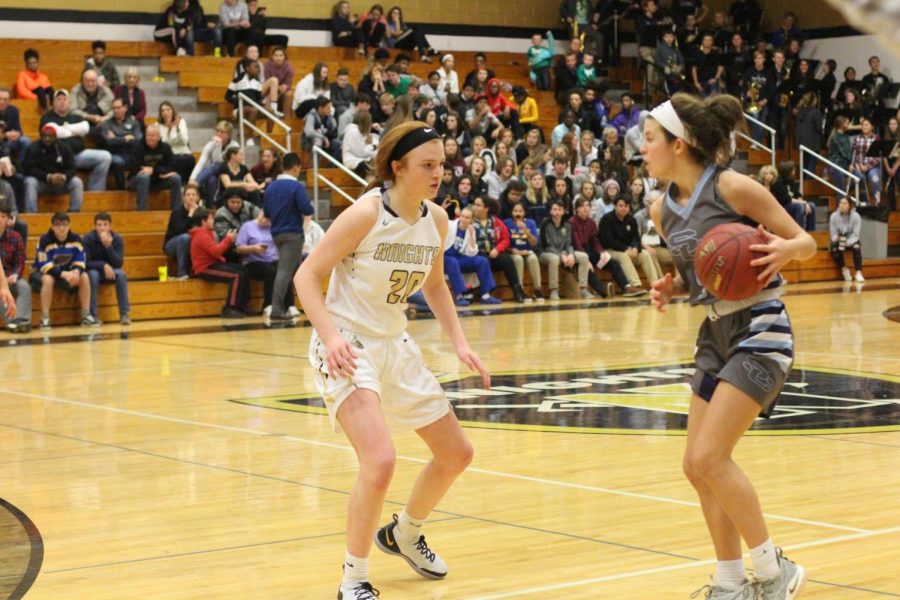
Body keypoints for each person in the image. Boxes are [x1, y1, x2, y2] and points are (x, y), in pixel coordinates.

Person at [293, 121, 488, 599]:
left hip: (394, 343)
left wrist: (460, 342)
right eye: (428, 165)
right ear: (397, 168)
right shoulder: (365, 214)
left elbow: (436, 284)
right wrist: (331, 336)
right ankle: (353, 580)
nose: (438, 172)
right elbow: (305, 277)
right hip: (348, 344)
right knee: (380, 461)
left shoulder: (436, 220)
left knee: (457, 453)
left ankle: (405, 531)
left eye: (442, 164)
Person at [642, 93, 815, 599]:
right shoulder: (661, 210)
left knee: (713, 456)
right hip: (713, 333)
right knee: (695, 465)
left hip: (761, 325)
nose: (643, 149)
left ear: (679, 144)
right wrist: (671, 286)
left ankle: (773, 568)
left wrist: (787, 249)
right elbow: (698, 268)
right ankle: (731, 583)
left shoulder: (731, 186)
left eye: (650, 139)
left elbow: (805, 241)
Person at [263, 152, 313, 321]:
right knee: (285, 272)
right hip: (292, 233)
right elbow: (307, 209)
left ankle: (299, 305)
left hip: (276, 233)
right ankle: (277, 309)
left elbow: (267, 212)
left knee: (295, 271)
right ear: (295, 167)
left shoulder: (271, 187)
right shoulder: (296, 187)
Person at [29, 211, 100, 329]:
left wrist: (76, 271)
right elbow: (44, 264)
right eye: (58, 225)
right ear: (52, 227)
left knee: (84, 276)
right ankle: (45, 318)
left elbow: (81, 259)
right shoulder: (44, 240)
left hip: (67, 273)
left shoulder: (76, 239)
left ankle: (86, 315)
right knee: (48, 279)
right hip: (43, 273)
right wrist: (63, 274)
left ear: (69, 226)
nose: (61, 228)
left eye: (65, 224)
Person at [39, 89, 112, 192]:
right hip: (54, 157)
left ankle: (95, 193)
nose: (62, 102)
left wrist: (62, 131)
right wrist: (73, 131)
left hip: (76, 155)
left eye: (65, 99)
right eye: (59, 99)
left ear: (69, 103)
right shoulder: (47, 118)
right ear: (53, 103)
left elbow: (80, 143)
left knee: (105, 157)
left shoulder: (76, 118)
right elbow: (50, 141)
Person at [190, 206, 250, 317]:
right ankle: (230, 308)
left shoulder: (207, 233)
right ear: (203, 221)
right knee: (236, 275)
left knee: (243, 270)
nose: (214, 221)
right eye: (211, 219)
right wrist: (228, 239)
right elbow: (216, 251)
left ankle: (242, 305)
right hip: (204, 269)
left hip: (213, 264)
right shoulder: (201, 235)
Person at [444, 205, 501, 305]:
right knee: (453, 262)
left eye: (467, 217)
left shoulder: (471, 230)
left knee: (482, 260)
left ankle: (485, 295)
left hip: (458, 258)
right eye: (462, 216)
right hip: (444, 257)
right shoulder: (449, 225)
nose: (463, 219)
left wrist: (471, 237)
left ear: (472, 220)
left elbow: (471, 254)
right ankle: (459, 295)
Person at [82, 212, 131, 325]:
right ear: (95, 227)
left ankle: (124, 314)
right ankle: (93, 315)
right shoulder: (88, 239)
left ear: (110, 226)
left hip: (111, 271)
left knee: (121, 275)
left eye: (105, 225)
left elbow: (118, 263)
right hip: (95, 271)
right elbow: (85, 263)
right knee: (93, 275)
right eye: (99, 225)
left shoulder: (117, 239)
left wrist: (108, 246)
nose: (102, 228)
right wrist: (103, 265)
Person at [236, 210, 289, 313]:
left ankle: (288, 305)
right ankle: (268, 305)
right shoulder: (247, 227)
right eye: (264, 218)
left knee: (284, 270)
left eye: (268, 220)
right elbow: (238, 249)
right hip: (253, 261)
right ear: (259, 214)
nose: (265, 221)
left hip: (272, 259)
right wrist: (254, 248)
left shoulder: (273, 227)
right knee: (271, 272)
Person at [22, 125, 83, 213]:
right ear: (40, 136)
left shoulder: (64, 148)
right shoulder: (33, 148)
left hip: (60, 182)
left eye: (50, 136)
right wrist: (48, 177)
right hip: (42, 182)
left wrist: (64, 176)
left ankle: (74, 212)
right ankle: (31, 214)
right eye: (44, 136)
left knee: (77, 182)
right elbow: (29, 169)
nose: (47, 139)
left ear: (56, 137)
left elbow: (72, 167)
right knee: (30, 182)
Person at [130, 124, 183, 211]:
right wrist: (159, 171)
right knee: (144, 177)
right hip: (137, 180)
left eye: (152, 136)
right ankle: (141, 212)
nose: (149, 138)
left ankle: (176, 212)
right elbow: (133, 167)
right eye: (148, 135)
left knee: (176, 178)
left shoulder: (166, 148)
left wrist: (153, 170)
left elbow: (171, 166)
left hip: (158, 179)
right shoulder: (138, 147)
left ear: (159, 137)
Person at [189, 120, 240, 204]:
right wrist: (192, 178)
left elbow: (220, 161)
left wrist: (219, 145)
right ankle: (211, 205)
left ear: (228, 135)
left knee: (215, 165)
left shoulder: (234, 146)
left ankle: (196, 185)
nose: (218, 133)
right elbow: (201, 162)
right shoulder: (211, 144)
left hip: (229, 172)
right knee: (211, 180)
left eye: (222, 132)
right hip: (215, 172)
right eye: (217, 131)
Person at [0, 197, 31, 333]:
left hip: (10, 276)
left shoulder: (15, 236)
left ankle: (21, 320)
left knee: (24, 286)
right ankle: (11, 321)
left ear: (9, 219)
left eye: (2, 216)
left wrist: (15, 276)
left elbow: (20, 261)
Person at [503, 201, 544, 301]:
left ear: (524, 213)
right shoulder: (506, 223)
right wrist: (512, 250)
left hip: (527, 251)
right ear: (512, 212)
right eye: (515, 211)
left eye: (520, 211)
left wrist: (526, 230)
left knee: (534, 258)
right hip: (513, 252)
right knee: (518, 259)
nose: (518, 213)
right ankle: (520, 290)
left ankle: (537, 289)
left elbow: (534, 243)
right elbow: (504, 243)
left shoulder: (531, 223)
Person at [99, 97, 142, 189]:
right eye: (114, 108)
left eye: (118, 108)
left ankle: (133, 187)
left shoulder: (134, 123)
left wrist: (116, 138)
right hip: (114, 153)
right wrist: (126, 138)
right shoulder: (106, 124)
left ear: (125, 108)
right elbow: (109, 142)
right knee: (118, 162)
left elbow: (138, 140)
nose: (115, 110)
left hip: (130, 153)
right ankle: (122, 189)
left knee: (142, 159)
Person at [164, 182, 201, 279]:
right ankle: (182, 273)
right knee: (185, 238)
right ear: (183, 198)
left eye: (193, 195)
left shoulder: (201, 211)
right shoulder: (177, 211)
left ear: (198, 198)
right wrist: (191, 214)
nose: (191, 197)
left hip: (193, 241)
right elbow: (181, 230)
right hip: (172, 243)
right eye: (188, 195)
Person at [158, 101, 196, 184]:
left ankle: (189, 186)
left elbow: (184, 141)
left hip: (184, 153)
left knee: (190, 159)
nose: (165, 112)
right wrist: (170, 130)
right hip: (171, 154)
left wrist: (178, 128)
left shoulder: (181, 122)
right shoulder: (158, 125)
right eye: (163, 110)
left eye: (168, 109)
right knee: (176, 160)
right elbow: (164, 145)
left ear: (172, 111)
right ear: (160, 113)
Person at [829, 196, 864, 283]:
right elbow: (833, 233)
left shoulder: (856, 216)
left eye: (844, 203)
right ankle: (844, 269)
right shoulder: (833, 216)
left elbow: (856, 235)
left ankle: (858, 273)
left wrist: (847, 243)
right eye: (840, 203)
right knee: (834, 248)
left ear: (850, 205)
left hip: (851, 240)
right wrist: (837, 239)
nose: (841, 205)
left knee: (856, 247)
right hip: (840, 239)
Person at [850, 117, 882, 206]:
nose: (864, 127)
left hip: (872, 166)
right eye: (863, 125)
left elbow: (878, 157)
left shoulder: (876, 138)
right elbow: (854, 155)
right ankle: (864, 200)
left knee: (874, 178)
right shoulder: (857, 138)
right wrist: (859, 165)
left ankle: (877, 201)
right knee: (860, 178)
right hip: (859, 166)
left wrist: (867, 166)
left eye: (867, 125)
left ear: (872, 127)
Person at [303, 97, 341, 161]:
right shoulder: (311, 116)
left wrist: (325, 134)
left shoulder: (330, 118)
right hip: (309, 142)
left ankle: (331, 168)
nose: (330, 110)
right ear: (320, 108)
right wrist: (323, 137)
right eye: (328, 108)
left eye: (330, 108)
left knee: (339, 144)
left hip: (327, 141)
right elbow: (309, 132)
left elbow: (335, 133)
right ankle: (314, 168)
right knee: (318, 141)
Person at [343, 109, 377, 177]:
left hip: (361, 159)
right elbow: (361, 152)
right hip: (353, 161)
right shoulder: (353, 132)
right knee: (374, 167)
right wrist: (373, 147)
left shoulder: (360, 132)